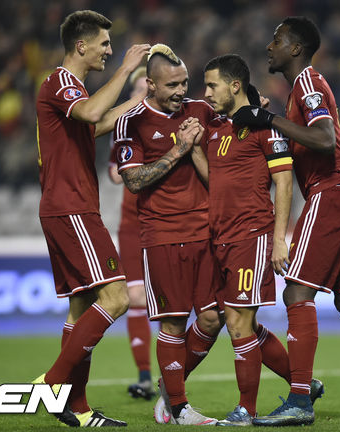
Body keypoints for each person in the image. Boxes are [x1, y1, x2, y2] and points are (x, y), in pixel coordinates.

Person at [233, 16, 340, 425]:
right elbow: (305, 139)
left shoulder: (308, 83)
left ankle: (299, 399)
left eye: (277, 40)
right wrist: (271, 119)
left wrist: (268, 121)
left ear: (295, 48)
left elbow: (325, 139)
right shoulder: (301, 90)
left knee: (297, 293)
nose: (269, 46)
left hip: (332, 191)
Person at [190, 54, 324, 426]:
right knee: (239, 321)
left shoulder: (266, 127)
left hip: (252, 235)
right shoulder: (217, 130)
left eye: (213, 85)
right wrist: (193, 150)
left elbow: (283, 183)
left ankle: (246, 410)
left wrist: (280, 239)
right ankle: (303, 384)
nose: (207, 93)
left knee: (238, 322)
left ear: (235, 86)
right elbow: (217, 183)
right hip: (221, 239)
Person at [34, 9, 150, 427]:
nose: (109, 50)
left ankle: (78, 408)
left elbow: (94, 126)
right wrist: (126, 70)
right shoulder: (62, 82)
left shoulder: (72, 91)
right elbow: (89, 114)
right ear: (80, 45)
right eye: (104, 43)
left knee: (80, 309)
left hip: (67, 206)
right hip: (72, 208)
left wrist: (140, 102)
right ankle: (52, 382)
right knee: (117, 298)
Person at [111, 44, 223, 426]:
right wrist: (179, 150)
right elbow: (134, 181)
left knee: (214, 318)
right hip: (162, 234)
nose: (181, 91)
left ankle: (167, 388)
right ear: (150, 84)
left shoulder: (202, 111)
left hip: (206, 232)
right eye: (172, 85)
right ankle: (178, 406)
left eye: (184, 83)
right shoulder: (131, 122)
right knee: (173, 322)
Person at [108, 66, 156, 401]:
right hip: (132, 222)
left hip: (163, 219)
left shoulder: (170, 123)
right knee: (135, 296)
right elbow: (114, 175)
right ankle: (144, 376)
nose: (141, 94)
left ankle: (174, 377)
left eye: (146, 89)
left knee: (171, 300)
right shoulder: (124, 126)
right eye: (136, 89)